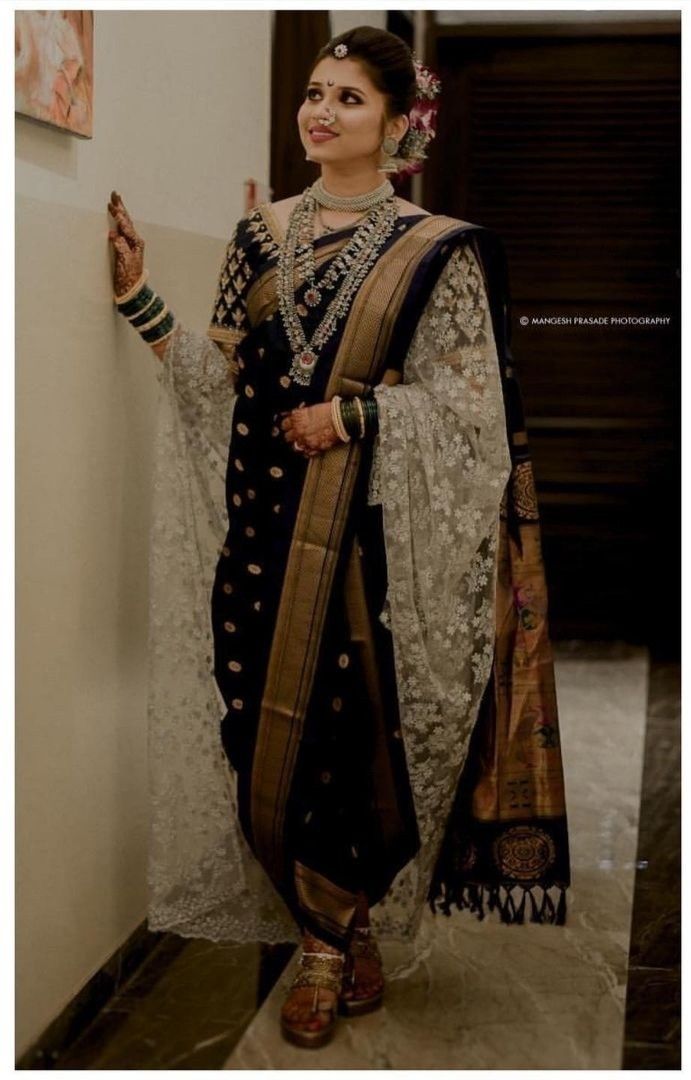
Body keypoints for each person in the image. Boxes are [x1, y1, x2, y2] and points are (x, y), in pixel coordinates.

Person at [108, 26, 571, 1051]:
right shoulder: (258, 239)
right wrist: (138, 299)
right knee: (260, 733)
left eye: (347, 99)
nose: (319, 112)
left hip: (367, 543)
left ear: (400, 122)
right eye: (313, 94)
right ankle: (333, 925)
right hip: (267, 535)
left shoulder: (438, 248)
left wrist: (354, 418)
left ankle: (329, 942)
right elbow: (222, 377)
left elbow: (468, 407)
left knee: (357, 734)